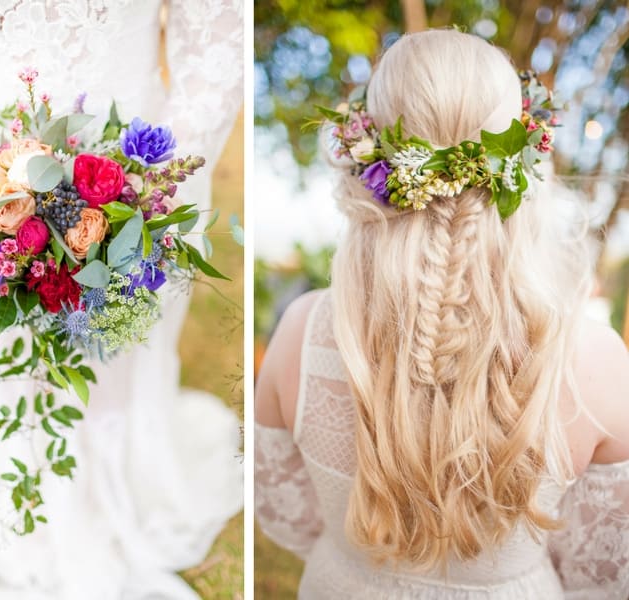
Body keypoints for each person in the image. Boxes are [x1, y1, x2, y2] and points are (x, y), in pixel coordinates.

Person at [0, 2, 243, 598]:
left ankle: (122, 484)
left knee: (118, 352)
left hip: (132, 181)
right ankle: (35, 494)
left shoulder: (143, 188)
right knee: (12, 367)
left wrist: (153, 185)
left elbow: (216, 39)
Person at [255, 29, 629, 598]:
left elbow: (285, 514)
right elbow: (601, 566)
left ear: (366, 164)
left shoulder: (303, 330)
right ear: (525, 167)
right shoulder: (596, 357)